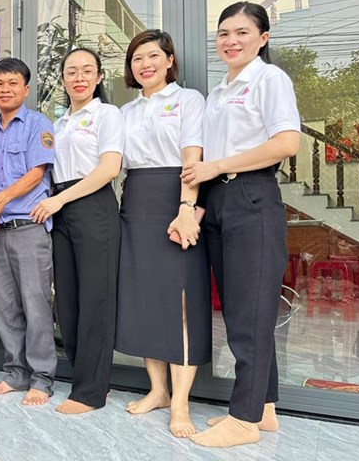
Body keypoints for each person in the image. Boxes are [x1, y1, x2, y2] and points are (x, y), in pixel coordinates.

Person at [181, 1, 300, 447]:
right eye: (224, 33)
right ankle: (264, 408)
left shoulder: (269, 79)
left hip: (253, 195)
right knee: (237, 310)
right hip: (219, 201)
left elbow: (287, 141)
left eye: (242, 32)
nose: (231, 41)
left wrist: (218, 167)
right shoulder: (217, 91)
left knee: (251, 314)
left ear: (263, 38)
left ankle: (244, 419)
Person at [114, 30, 210, 438]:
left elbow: (193, 158)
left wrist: (187, 209)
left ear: (169, 60)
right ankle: (159, 391)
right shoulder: (124, 112)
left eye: (153, 56)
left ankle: (182, 402)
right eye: (137, 58)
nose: (145, 64)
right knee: (145, 300)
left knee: (180, 301)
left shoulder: (189, 100)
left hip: (176, 199)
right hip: (135, 201)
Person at [31, 47, 125, 414]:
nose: (79, 77)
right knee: (67, 300)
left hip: (92, 204)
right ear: (64, 79)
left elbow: (109, 169)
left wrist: (60, 200)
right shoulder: (58, 123)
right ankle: (81, 378)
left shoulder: (107, 114)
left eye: (88, 71)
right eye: (72, 72)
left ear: (99, 77)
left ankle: (91, 391)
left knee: (96, 299)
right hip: (60, 209)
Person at [0, 57, 57, 406]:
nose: (4, 89)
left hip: (28, 228)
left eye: (12, 83)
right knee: (4, 307)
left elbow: (37, 173)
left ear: (26, 88)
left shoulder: (38, 124)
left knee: (36, 305)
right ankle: (17, 373)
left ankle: (42, 378)